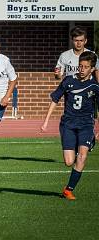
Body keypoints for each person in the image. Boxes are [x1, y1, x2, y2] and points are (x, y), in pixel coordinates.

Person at [41, 51, 99, 200]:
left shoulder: (94, 86)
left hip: (86, 124)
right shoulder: (68, 81)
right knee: (69, 162)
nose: (82, 69)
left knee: (82, 157)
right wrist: (46, 121)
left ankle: (68, 190)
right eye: (80, 66)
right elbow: (55, 99)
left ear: (92, 69)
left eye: (86, 67)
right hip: (68, 124)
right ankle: (82, 144)